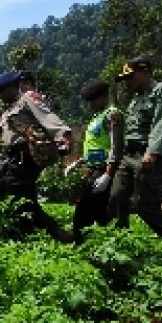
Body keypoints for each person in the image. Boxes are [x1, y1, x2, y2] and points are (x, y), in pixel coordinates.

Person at [108, 56, 162, 257]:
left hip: (147, 155)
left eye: (131, 76)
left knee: (145, 206)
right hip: (129, 155)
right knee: (116, 196)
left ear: (145, 72)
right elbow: (133, 128)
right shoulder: (135, 99)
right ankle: (121, 243)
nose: (128, 82)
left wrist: (152, 152)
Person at [0, 70, 74, 242]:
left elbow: (47, 116)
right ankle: (29, 230)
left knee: (16, 193)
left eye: (2, 91)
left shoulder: (27, 99)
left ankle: (54, 232)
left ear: (13, 87)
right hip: (13, 157)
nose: (0, 95)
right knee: (11, 192)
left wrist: (63, 136)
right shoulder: (9, 110)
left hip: (25, 155)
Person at [67, 79, 123, 242]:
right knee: (99, 212)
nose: (90, 104)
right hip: (92, 169)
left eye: (94, 99)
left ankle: (80, 242)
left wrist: (107, 174)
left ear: (105, 96)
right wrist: (77, 163)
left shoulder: (112, 115)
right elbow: (94, 146)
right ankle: (99, 244)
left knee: (83, 211)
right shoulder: (96, 117)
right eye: (88, 101)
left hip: (103, 170)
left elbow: (115, 147)